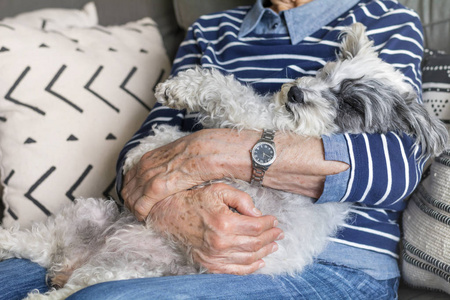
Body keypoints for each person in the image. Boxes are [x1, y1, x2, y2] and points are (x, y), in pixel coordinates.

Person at [0, 0, 425, 299]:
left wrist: (219, 151)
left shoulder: (387, 19)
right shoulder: (209, 30)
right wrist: (171, 210)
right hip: (158, 239)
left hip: (329, 267)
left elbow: (401, 163)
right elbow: (137, 159)